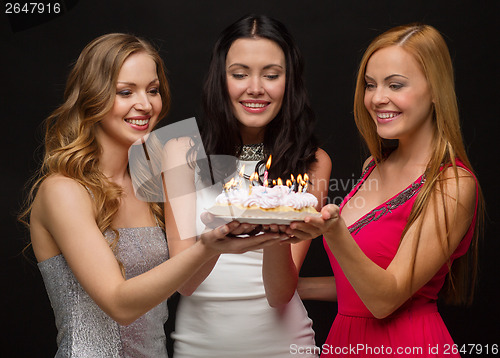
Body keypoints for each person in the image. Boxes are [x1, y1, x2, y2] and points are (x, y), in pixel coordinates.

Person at [18, 33, 285, 358]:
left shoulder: (155, 179)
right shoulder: (63, 189)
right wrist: (206, 246)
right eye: (125, 92)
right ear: (92, 96)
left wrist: (226, 237)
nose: (145, 104)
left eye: (153, 90)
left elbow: (186, 281)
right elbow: (119, 304)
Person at [287, 24, 484, 357]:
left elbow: (385, 299)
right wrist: (298, 288)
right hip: (346, 342)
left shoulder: (452, 185)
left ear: (436, 90)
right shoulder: (373, 166)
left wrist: (333, 231)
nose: (377, 98)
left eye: (395, 85)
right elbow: (361, 284)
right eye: (370, 85)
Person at [164, 14, 331, 358]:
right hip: (197, 347)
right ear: (220, 80)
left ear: (290, 82)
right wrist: (216, 242)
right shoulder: (178, 150)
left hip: (284, 347)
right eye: (240, 74)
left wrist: (276, 233)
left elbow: (280, 293)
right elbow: (185, 283)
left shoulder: (314, 161)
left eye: (271, 75)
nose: (255, 88)